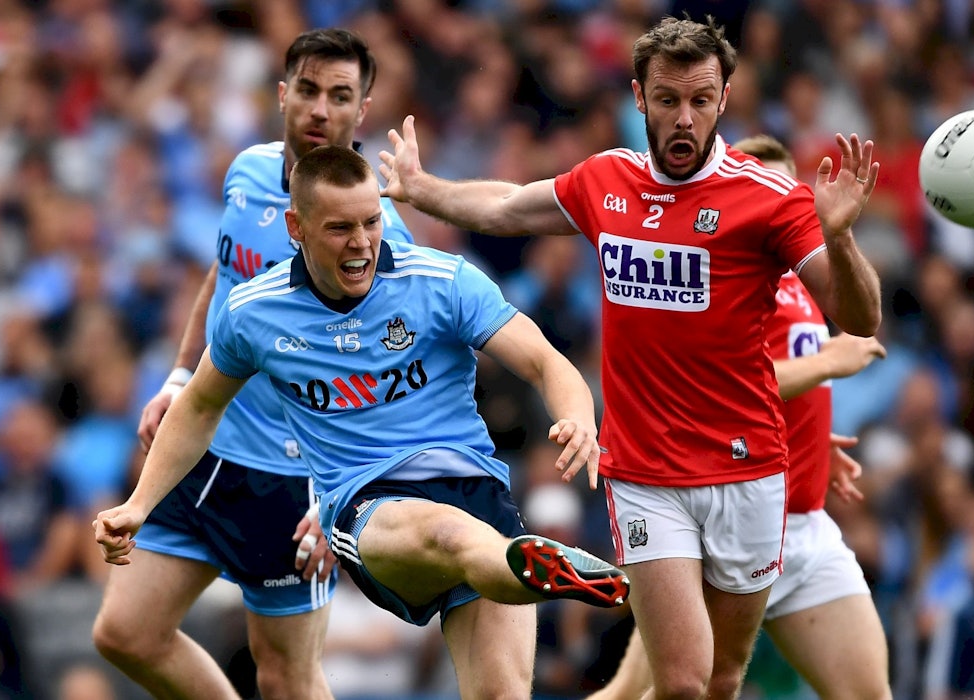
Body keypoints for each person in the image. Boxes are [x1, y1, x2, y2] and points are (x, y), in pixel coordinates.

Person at [380, 15, 883, 699]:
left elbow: (858, 318)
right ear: (639, 97)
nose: (684, 118)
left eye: (700, 101)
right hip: (645, 473)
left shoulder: (767, 199)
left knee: (722, 679)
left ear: (723, 99)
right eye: (668, 99)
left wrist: (841, 238)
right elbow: (507, 205)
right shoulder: (606, 180)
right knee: (679, 683)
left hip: (746, 471)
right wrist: (423, 188)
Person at [94, 145, 631, 700]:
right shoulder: (255, 312)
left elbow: (546, 361)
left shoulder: (442, 281)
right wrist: (138, 504)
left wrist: (578, 419)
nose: (361, 242)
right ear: (296, 227)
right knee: (450, 536)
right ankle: (532, 566)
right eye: (340, 228)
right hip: (368, 506)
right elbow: (199, 410)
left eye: (372, 221)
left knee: (501, 694)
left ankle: (537, 567)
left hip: (476, 488)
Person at [91, 29, 415, 700]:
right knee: (125, 633)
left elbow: (400, 382)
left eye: (340, 96)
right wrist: (180, 377)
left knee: (287, 676)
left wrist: (345, 499)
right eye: (308, 91)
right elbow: (221, 278)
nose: (320, 110)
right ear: (282, 95)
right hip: (199, 448)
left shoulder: (375, 229)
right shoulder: (246, 172)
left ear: (363, 109)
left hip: (289, 484)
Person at [588, 135, 893, 700]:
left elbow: (771, 387)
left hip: (799, 525)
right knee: (659, 692)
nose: (776, 210)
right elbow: (725, 391)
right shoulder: (725, 286)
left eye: (790, 195)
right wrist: (828, 361)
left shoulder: (803, 284)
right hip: (715, 519)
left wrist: (813, 439)